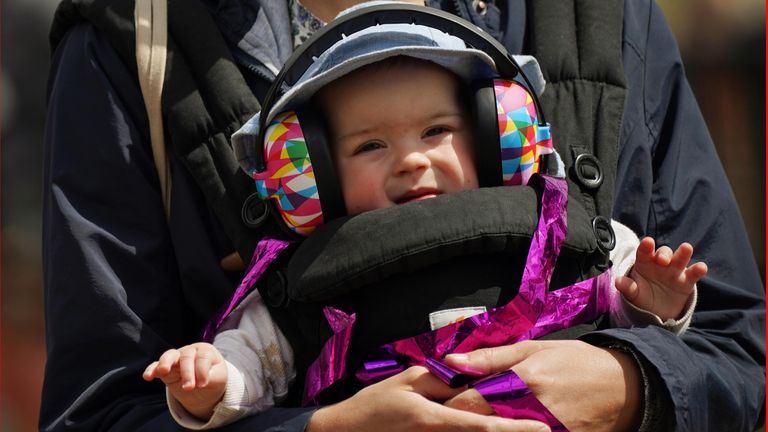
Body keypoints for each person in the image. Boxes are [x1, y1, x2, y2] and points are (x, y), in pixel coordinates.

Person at [41, 1, 765, 432]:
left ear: (502, 127)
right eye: (370, 145)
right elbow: (103, 411)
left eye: (436, 133)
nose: (412, 164)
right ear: (300, 167)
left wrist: (631, 387)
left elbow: (731, 350)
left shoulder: (603, 15)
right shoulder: (131, 41)